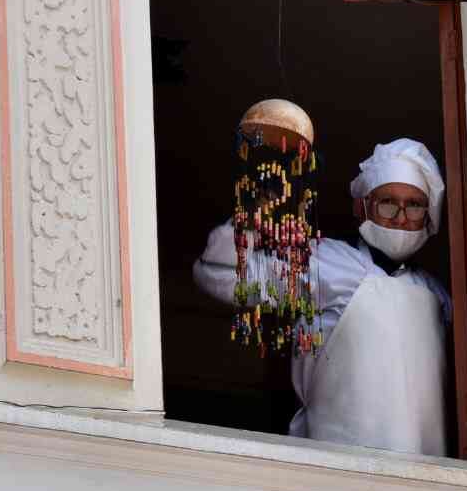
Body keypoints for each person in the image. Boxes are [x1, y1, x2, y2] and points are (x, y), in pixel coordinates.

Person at [193, 138, 451, 455]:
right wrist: (255, 209)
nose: (400, 217)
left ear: (429, 215)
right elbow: (219, 272)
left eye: (414, 205)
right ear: (362, 207)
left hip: (424, 480)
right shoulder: (325, 262)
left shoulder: (437, 295)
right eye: (387, 202)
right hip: (336, 466)